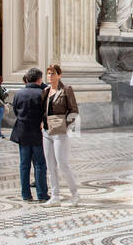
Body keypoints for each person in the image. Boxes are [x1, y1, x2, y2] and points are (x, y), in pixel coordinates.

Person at [42, 64, 81, 205]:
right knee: (50, 165)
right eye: (48, 74)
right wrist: (42, 122)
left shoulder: (66, 90)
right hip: (46, 131)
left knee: (62, 164)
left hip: (60, 132)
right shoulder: (46, 91)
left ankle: (75, 193)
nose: (50, 76)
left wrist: (65, 126)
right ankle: (55, 196)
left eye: (52, 73)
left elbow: (74, 111)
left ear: (59, 75)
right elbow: (44, 111)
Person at [10, 68, 49, 202]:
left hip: (22, 132)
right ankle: (42, 194)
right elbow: (47, 112)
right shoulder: (43, 93)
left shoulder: (19, 93)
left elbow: (15, 110)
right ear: (39, 79)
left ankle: (25, 194)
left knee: (24, 164)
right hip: (38, 133)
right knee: (39, 164)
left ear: (27, 79)